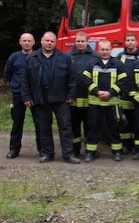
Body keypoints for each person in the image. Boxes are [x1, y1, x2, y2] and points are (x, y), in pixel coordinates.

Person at [21, 32, 80, 164]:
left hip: (61, 97)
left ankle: (68, 154)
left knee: (65, 127)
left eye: (52, 41)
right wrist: (26, 96)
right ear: (41, 41)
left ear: (55, 42)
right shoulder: (31, 58)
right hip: (41, 97)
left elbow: (72, 79)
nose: (49, 43)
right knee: (44, 127)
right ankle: (47, 153)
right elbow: (25, 80)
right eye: (46, 40)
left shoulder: (65, 58)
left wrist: (71, 95)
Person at [82, 40, 128, 162]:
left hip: (112, 103)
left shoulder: (118, 64)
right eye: (102, 49)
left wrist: (110, 93)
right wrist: (97, 91)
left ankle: (117, 152)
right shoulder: (91, 63)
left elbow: (123, 82)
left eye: (107, 49)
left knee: (114, 128)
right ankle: (90, 152)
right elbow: (85, 79)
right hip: (95, 103)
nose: (104, 52)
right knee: (93, 128)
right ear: (98, 49)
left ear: (111, 49)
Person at [4, 32, 38, 159]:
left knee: (39, 123)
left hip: (34, 94)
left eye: (29, 41)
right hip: (18, 94)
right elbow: (8, 74)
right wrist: (16, 84)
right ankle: (14, 150)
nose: (27, 43)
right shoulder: (14, 57)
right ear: (20, 42)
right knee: (17, 123)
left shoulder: (37, 56)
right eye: (24, 40)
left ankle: (42, 150)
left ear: (34, 42)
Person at [69, 31, 99, 156]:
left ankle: (91, 151)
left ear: (87, 42)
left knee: (90, 126)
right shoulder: (67, 56)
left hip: (90, 97)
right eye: (78, 41)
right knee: (74, 127)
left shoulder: (95, 57)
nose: (80, 44)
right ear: (75, 42)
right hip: (73, 98)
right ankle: (75, 150)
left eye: (82, 41)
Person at [117, 33, 139, 154]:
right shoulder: (120, 56)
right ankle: (125, 145)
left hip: (138, 95)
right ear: (125, 42)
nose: (130, 42)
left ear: (136, 42)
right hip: (123, 94)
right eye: (128, 40)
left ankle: (135, 146)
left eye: (132, 40)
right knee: (124, 122)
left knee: (137, 122)